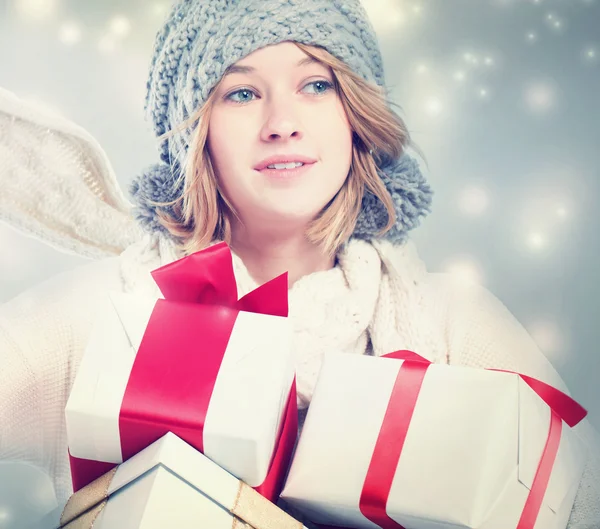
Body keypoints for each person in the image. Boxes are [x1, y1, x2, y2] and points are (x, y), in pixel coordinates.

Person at [0, 0, 598, 527]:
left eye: (317, 85)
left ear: (355, 115)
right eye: (241, 92)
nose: (282, 124)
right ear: (195, 135)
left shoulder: (451, 323)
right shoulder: (108, 314)